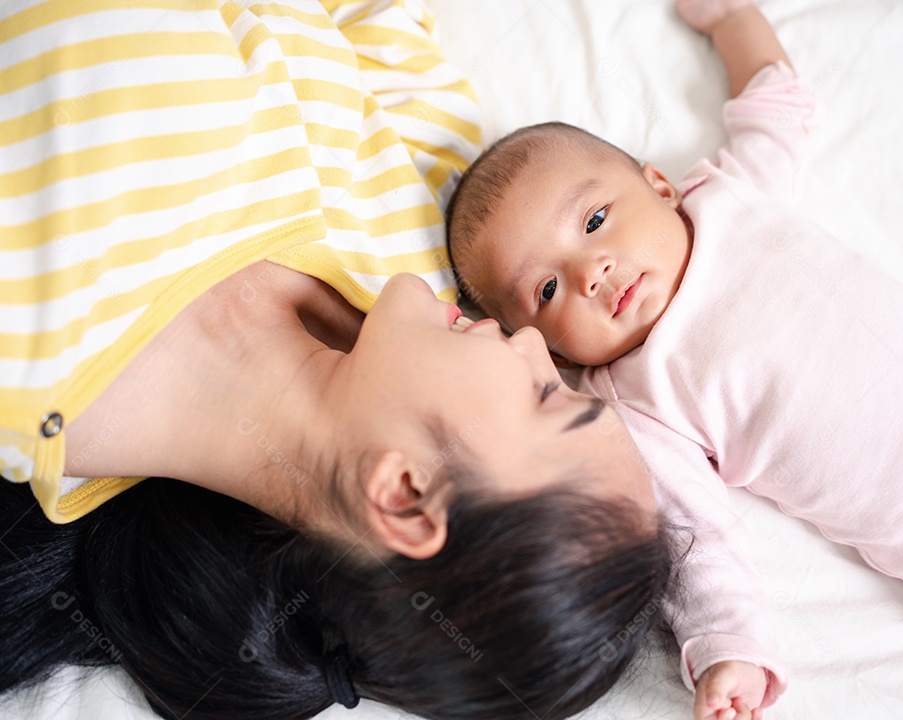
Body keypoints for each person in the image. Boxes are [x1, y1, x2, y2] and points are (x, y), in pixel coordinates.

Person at [0, 2, 672, 719]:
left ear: (406, 493)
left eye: (546, 398)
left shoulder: (25, 364)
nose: (537, 344)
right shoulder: (430, 253)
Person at [445, 1, 903, 719]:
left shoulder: (727, 199)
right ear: (544, 343)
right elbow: (692, 539)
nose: (593, 270)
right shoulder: (635, 398)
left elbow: (777, 105)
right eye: (549, 286)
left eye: (594, 221)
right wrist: (727, 650)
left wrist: (732, 21)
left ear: (659, 186)